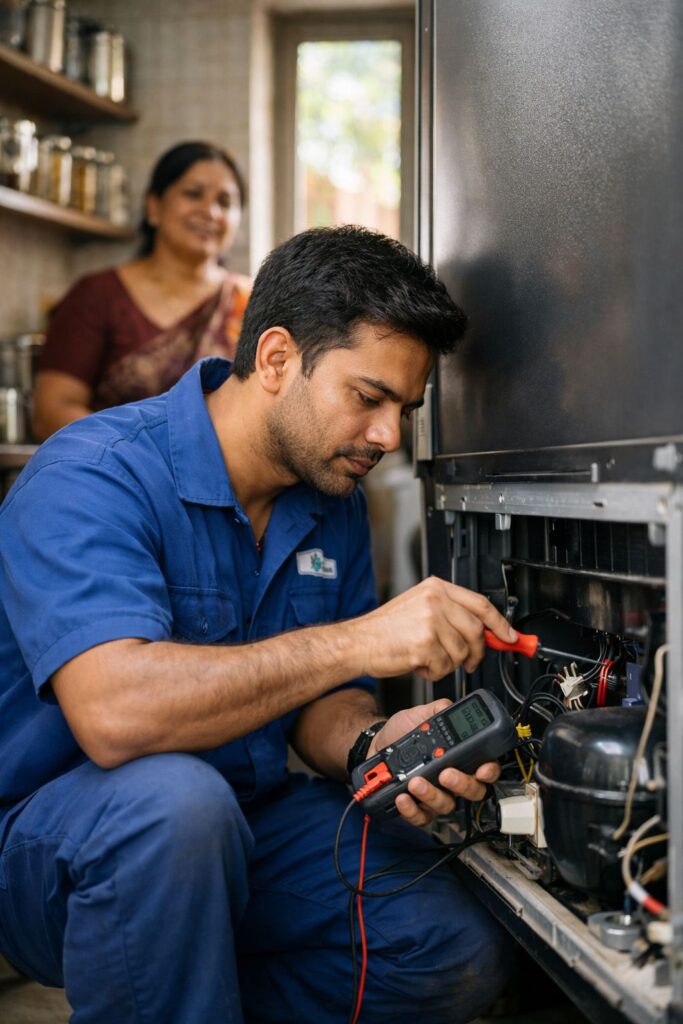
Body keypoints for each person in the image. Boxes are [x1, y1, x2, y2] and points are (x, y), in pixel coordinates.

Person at [0, 226, 518, 1024]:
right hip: (62, 848)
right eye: (368, 398)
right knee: (177, 806)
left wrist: (373, 744)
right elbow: (115, 714)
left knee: (451, 943)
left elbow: (325, 698)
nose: (388, 436)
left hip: (246, 819)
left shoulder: (332, 500)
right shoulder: (92, 475)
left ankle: (183, 994)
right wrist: (360, 639)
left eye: (404, 410)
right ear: (276, 359)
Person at [32, 140, 251, 441]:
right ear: (153, 207)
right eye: (193, 194)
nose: (211, 212)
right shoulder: (97, 296)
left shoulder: (253, 302)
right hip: (115, 466)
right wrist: (147, 453)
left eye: (225, 202)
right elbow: (52, 411)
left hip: (226, 471)